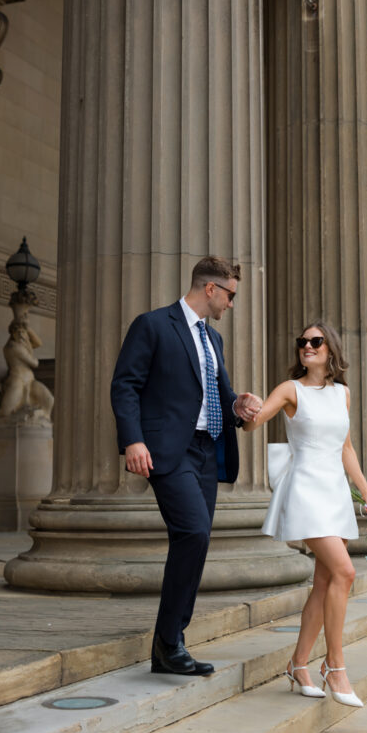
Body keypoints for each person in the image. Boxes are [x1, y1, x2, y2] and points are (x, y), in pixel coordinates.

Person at [111, 256, 262, 676]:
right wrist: (133, 439)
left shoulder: (214, 342)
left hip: (205, 451)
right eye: (230, 295)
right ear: (210, 289)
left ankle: (169, 643)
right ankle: (169, 642)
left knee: (195, 540)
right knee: (193, 531)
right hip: (166, 450)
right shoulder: (153, 325)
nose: (231, 304)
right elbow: (125, 385)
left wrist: (240, 405)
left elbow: (223, 397)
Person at [244, 321, 367, 707]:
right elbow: (254, 423)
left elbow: (346, 448)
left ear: (330, 349)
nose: (307, 346)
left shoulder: (342, 394)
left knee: (324, 583)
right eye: (302, 342)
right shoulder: (290, 390)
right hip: (304, 490)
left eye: (315, 342)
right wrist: (246, 406)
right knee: (344, 572)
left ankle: (298, 664)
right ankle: (334, 666)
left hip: (334, 492)